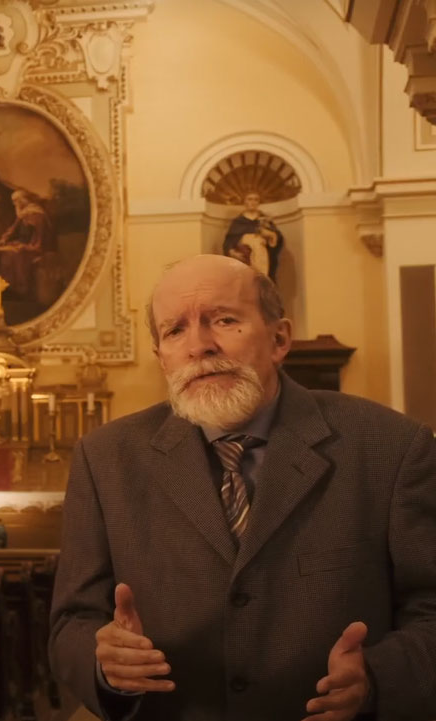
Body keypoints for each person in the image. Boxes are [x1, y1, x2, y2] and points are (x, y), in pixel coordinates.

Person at [49, 254, 436, 721]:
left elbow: (430, 607)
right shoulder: (106, 457)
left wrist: (377, 679)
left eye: (224, 320)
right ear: (161, 358)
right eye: (175, 331)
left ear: (279, 339)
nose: (199, 346)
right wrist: (105, 664)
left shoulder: (391, 447)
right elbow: (72, 622)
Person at [0, 190, 57, 301]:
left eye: (16, 200)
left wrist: (29, 246)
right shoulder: (23, 213)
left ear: (22, 200)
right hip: (21, 244)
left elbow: (39, 236)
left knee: (11, 255)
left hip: (33, 247)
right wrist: (3, 239)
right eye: (13, 201)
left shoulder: (37, 214)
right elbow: (12, 230)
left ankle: (15, 291)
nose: (14, 203)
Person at [223, 192, 283, 281]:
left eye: (256, 199)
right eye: (250, 199)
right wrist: (232, 252)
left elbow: (277, 239)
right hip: (245, 256)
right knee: (246, 280)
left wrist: (271, 235)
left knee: (261, 279)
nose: (253, 202)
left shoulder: (265, 220)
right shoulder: (238, 222)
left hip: (261, 255)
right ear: (244, 202)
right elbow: (229, 240)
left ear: (259, 202)